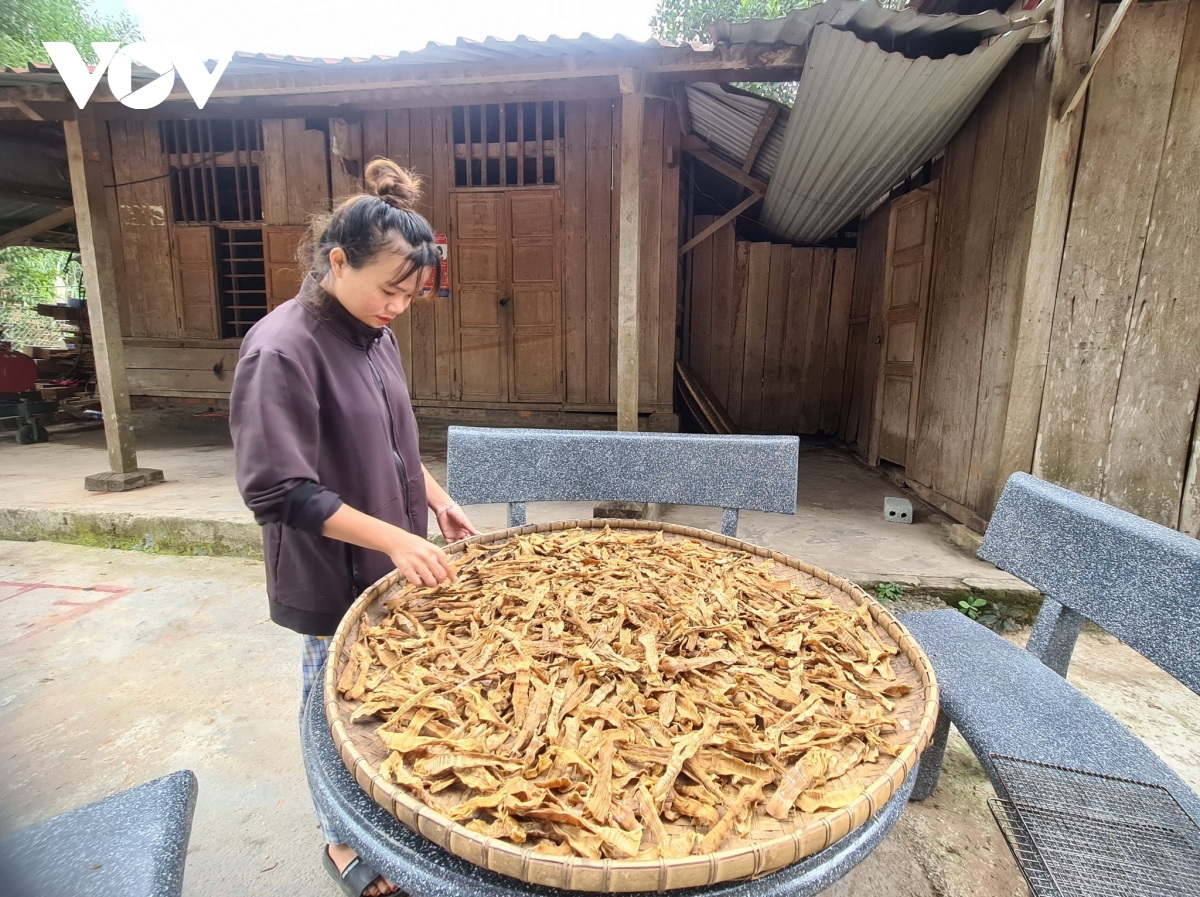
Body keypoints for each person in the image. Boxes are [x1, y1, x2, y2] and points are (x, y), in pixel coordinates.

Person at [230, 158, 478, 897]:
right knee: (330, 709)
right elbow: (277, 490)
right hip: (330, 572)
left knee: (388, 699)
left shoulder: (373, 332)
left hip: (388, 560)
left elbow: (390, 439)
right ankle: (341, 838)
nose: (398, 307)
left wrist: (433, 497)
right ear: (337, 261)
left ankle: (389, 815)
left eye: (410, 295)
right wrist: (396, 538)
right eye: (388, 290)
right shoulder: (281, 349)